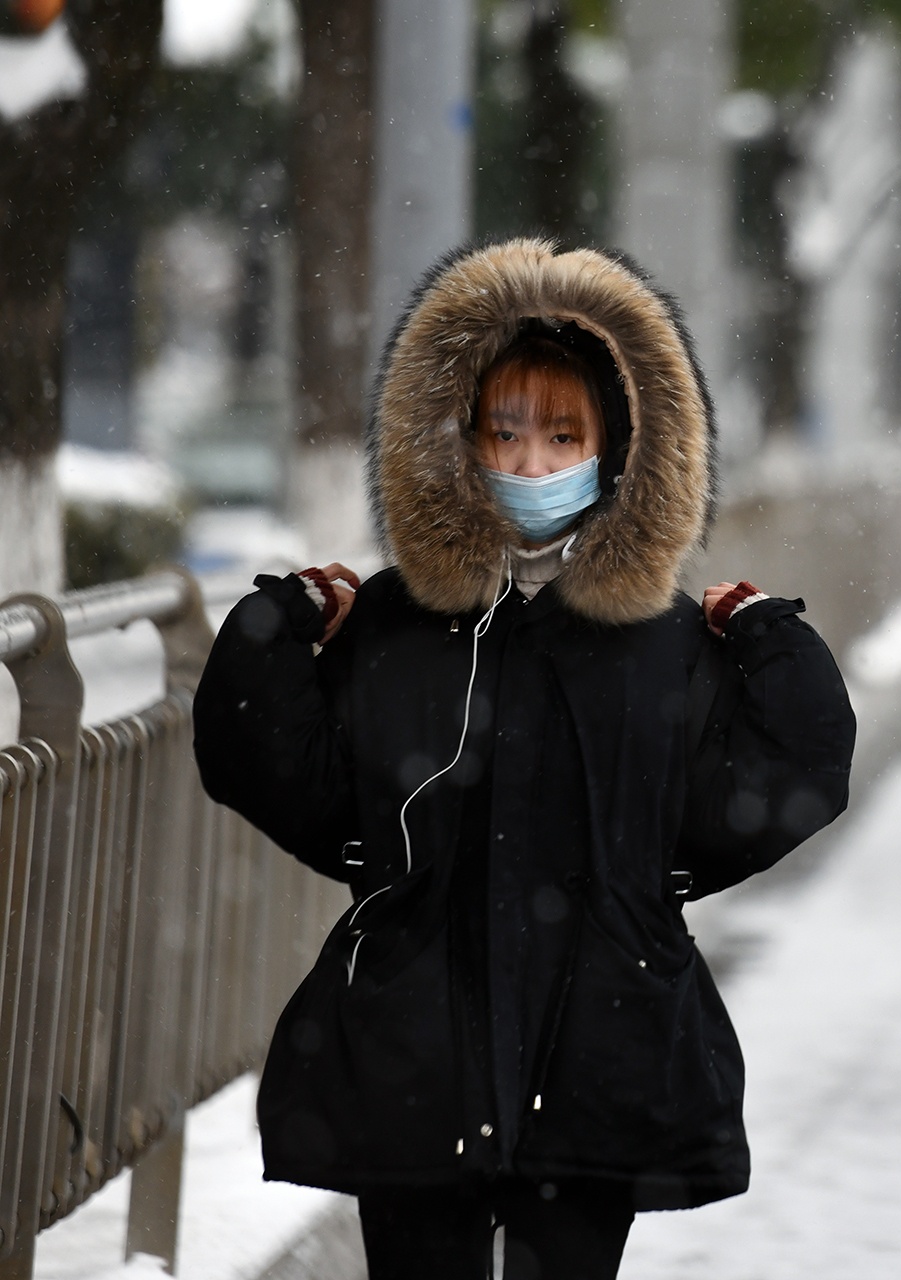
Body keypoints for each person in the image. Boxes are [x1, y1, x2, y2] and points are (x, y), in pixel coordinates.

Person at [193, 240, 857, 1278]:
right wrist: (274, 630)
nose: (533, 465)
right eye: (504, 433)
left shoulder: (663, 642)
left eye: (562, 435)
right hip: (416, 1053)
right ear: (457, 442)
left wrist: (776, 645)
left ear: (619, 448)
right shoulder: (397, 625)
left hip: (602, 1047)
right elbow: (290, 777)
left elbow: (781, 783)